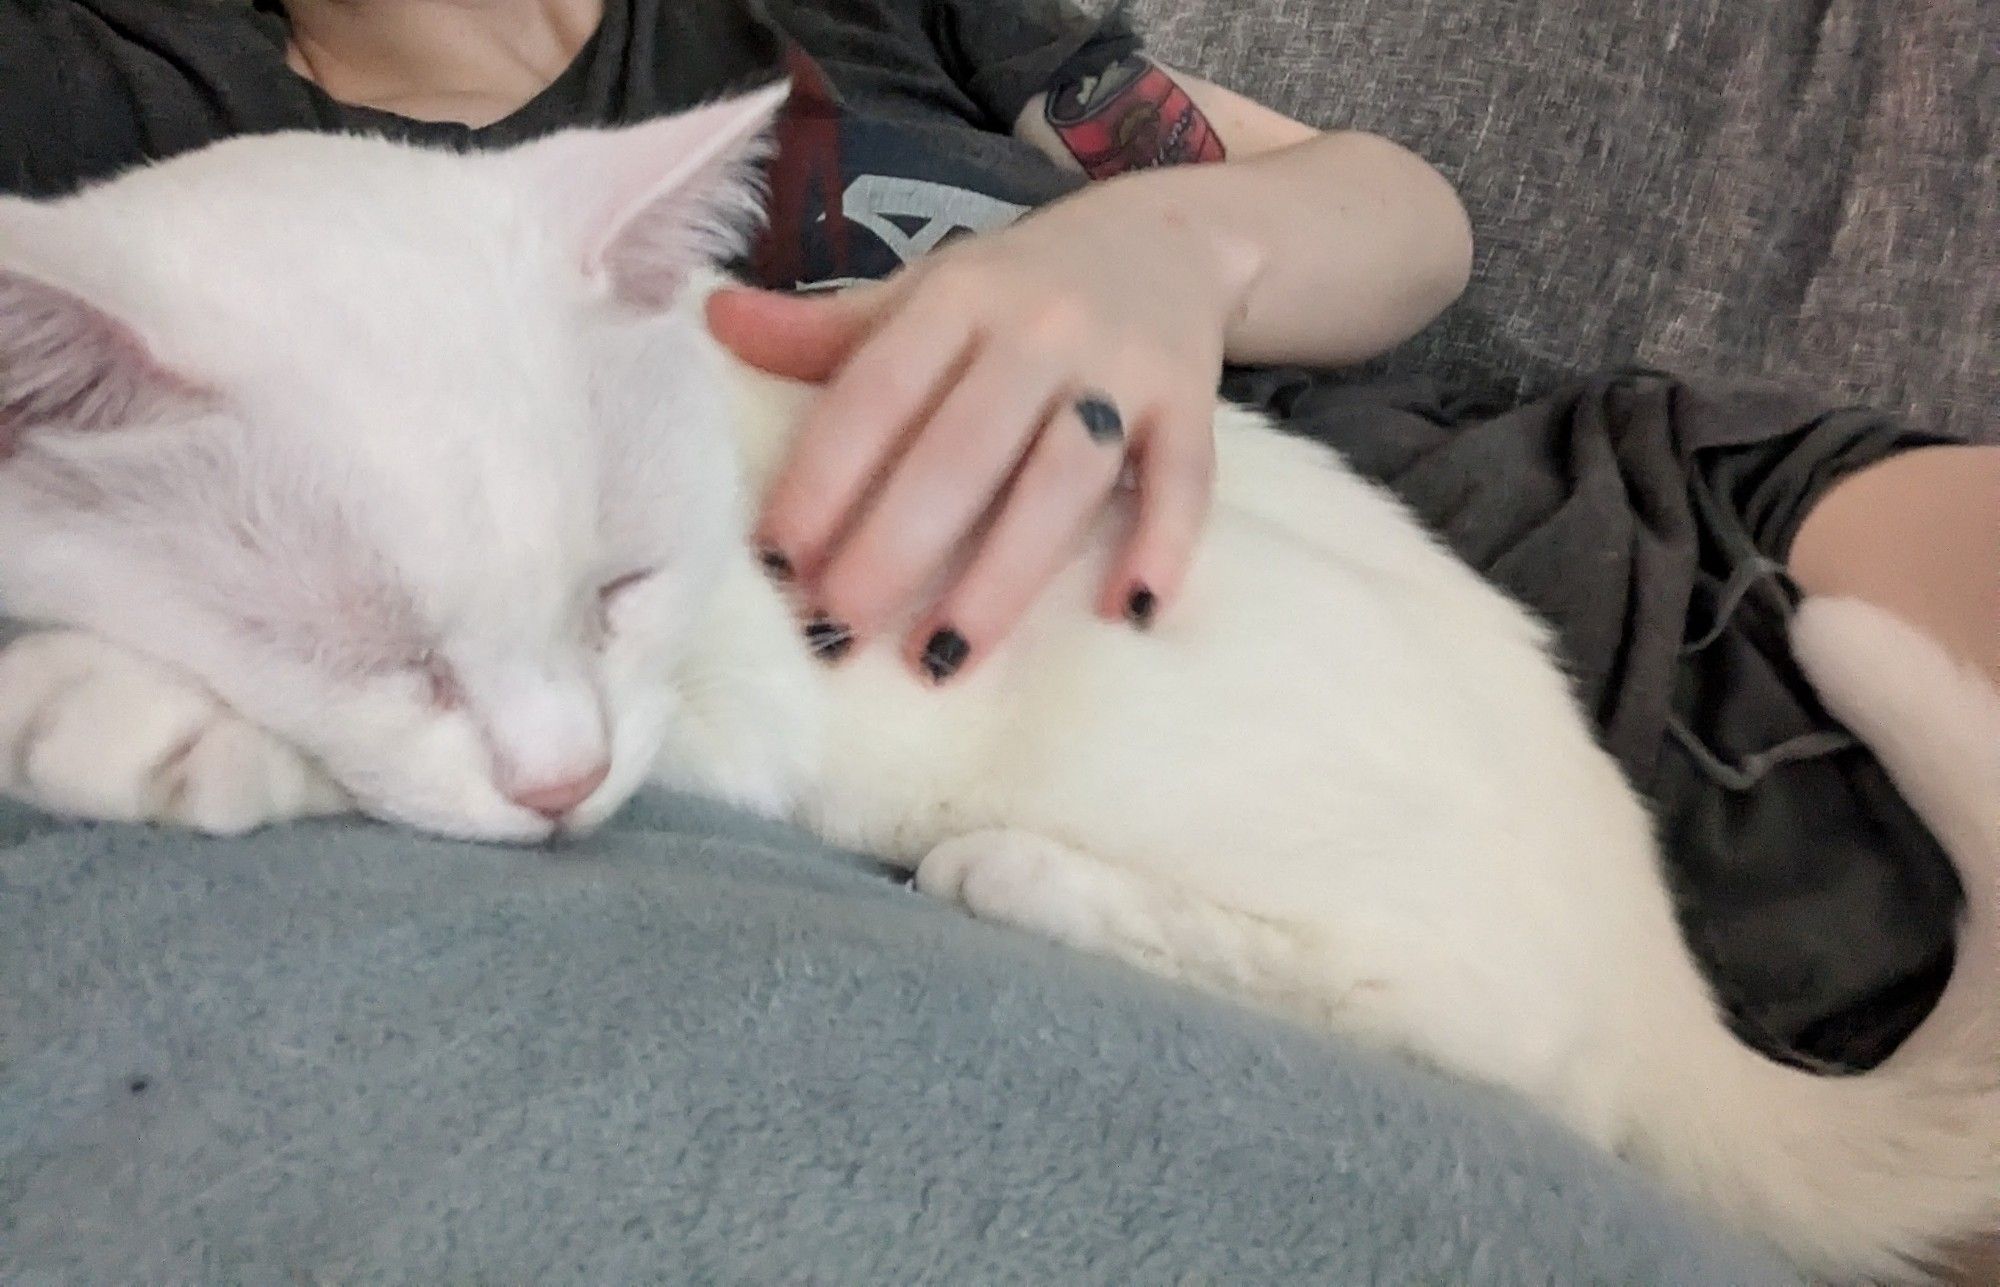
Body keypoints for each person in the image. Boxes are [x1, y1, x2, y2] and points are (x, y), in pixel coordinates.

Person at [0, 0, 1991, 1075]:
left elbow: (1413, 218)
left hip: (1597, 534)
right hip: (1312, 864)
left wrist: (1169, 241)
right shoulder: (128, 116)